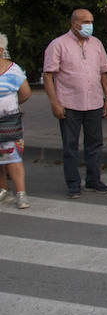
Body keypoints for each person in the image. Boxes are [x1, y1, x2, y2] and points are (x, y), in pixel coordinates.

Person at [43, 9, 107, 197]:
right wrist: (54, 103)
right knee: (70, 146)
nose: (89, 25)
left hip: (94, 102)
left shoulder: (96, 43)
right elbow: (48, 75)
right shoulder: (58, 44)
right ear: (74, 24)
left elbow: (103, 73)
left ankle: (93, 180)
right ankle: (73, 184)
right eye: (85, 22)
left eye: (91, 21)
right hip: (69, 104)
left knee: (95, 144)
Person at [0, 33, 33, 209]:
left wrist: (11, 106)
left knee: (12, 156)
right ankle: (3, 190)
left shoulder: (13, 70)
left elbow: (25, 93)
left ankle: (21, 194)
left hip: (8, 121)